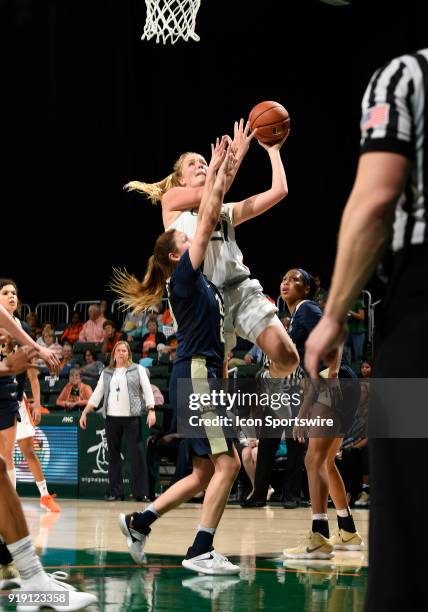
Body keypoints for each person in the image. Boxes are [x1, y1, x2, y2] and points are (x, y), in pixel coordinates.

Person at [304, 48, 428, 610]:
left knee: (404, 522)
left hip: (420, 310)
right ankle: (334, 526)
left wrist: (333, 315)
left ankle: (333, 528)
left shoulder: (407, 74)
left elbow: (376, 198)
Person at [113, 138, 242, 575]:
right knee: (229, 464)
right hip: (196, 374)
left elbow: (206, 223)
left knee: (205, 472)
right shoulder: (184, 277)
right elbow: (206, 220)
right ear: (175, 254)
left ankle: (140, 521)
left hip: (200, 374)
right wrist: (223, 166)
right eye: (184, 238)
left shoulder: (198, 280)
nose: (193, 236)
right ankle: (201, 550)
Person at [125, 119, 299, 379]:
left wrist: (273, 152)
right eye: (192, 164)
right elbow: (215, 191)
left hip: (240, 291)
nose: (202, 165)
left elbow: (279, 190)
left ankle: (266, 380)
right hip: (202, 299)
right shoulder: (171, 202)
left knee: (289, 358)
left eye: (203, 162)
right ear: (180, 179)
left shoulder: (225, 211)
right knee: (216, 377)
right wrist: (236, 156)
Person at [277, 269, 362, 558]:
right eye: (285, 278)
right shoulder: (299, 317)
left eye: (295, 279)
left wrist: (335, 372)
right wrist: (302, 414)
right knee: (325, 461)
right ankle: (348, 530)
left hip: (335, 383)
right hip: (338, 385)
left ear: (308, 289)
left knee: (314, 459)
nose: (287, 282)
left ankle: (319, 535)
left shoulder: (306, 308)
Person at [0, 279, 61, 512]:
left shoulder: (22, 329)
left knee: (24, 450)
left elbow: (32, 372)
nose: (12, 296)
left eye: (14, 293)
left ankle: (42, 496)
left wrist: (36, 402)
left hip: (14, 397)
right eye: (6, 293)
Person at [79, 341, 155, 501]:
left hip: (132, 417)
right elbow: (97, 394)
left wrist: (151, 410)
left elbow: (147, 389)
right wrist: (85, 412)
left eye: (124, 351)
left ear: (129, 354)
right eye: (119, 350)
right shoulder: (106, 372)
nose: (121, 353)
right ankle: (115, 491)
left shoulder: (138, 369)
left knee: (137, 455)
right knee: (113, 456)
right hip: (112, 418)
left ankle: (141, 493)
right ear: (114, 353)